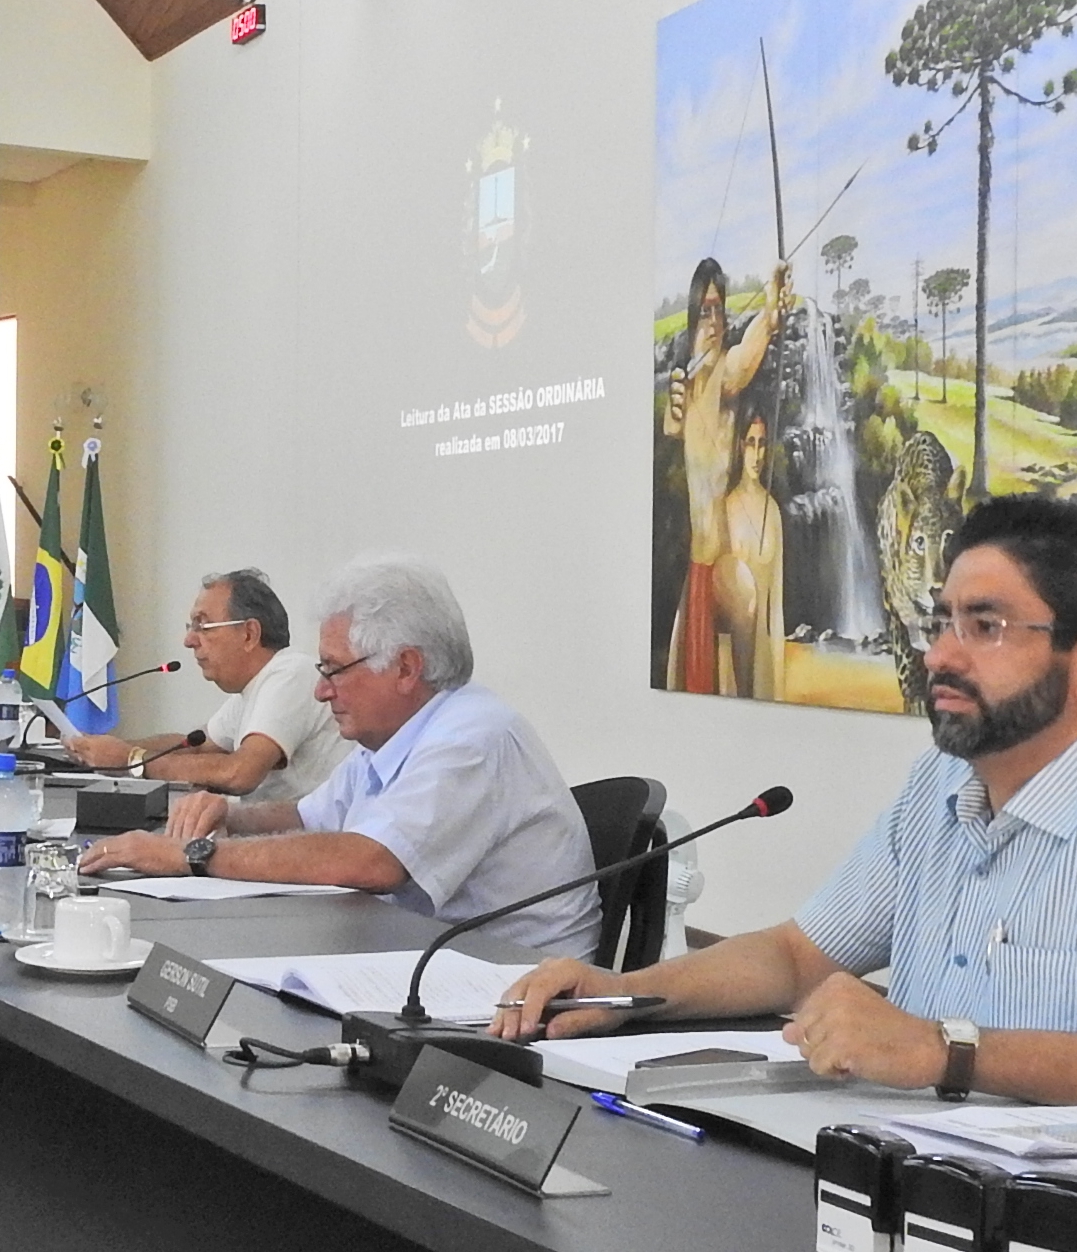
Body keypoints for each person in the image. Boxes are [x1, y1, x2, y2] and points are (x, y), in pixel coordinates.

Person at [493, 496, 1077, 1109]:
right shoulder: (940, 784)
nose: (939, 654)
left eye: (984, 626)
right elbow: (796, 956)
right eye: (942, 620)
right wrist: (624, 993)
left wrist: (947, 1051)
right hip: (930, 1182)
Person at [80, 559, 599, 958]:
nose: (322, 691)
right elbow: (308, 816)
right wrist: (228, 818)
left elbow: (372, 862)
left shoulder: (470, 739)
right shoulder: (393, 734)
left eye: (333, 670)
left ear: (406, 668)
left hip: (511, 987)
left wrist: (195, 856)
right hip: (422, 955)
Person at [62, 568, 349, 805]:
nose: (189, 641)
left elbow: (240, 773)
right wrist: (105, 750)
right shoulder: (254, 688)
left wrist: (131, 760)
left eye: (203, 626)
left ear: (249, 634)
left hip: (314, 843)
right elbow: (196, 748)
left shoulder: (291, 673)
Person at [663, 258, 789, 694]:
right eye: (705, 311)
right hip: (696, 566)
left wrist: (771, 310)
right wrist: (674, 409)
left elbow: (745, 357)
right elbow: (672, 426)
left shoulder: (724, 374)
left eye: (719, 310)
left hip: (722, 560)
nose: (714, 322)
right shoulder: (687, 384)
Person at [716, 409, 788, 701]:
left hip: (763, 660)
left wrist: (778, 682)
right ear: (739, 447)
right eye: (750, 443)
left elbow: (776, 606)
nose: (757, 454)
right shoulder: (726, 508)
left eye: (762, 444)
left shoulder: (773, 512)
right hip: (731, 662)